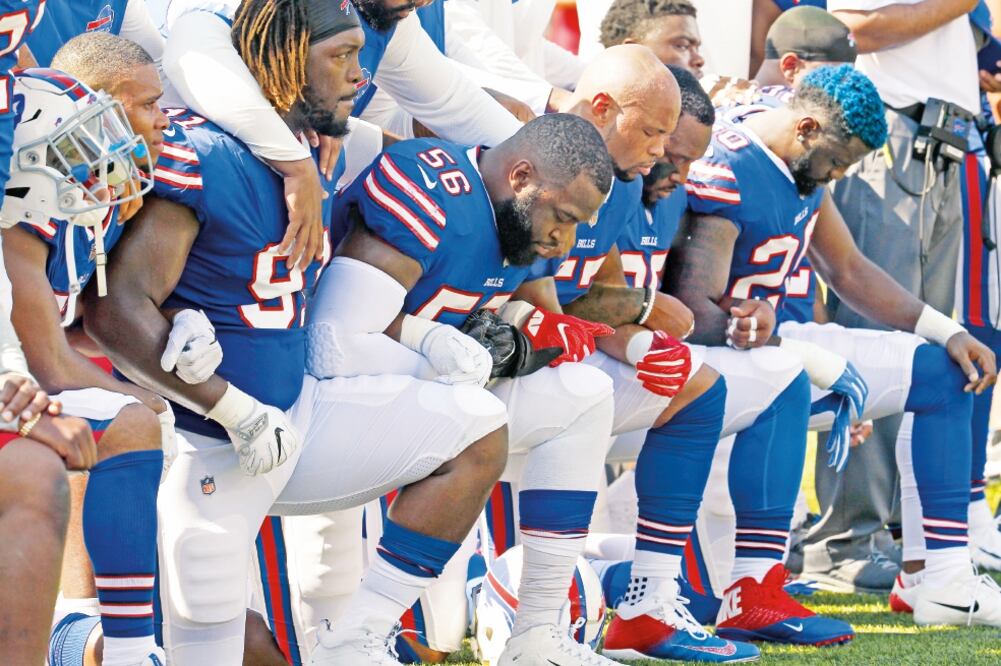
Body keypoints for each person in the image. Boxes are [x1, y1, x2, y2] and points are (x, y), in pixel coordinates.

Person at [85, 4, 509, 664]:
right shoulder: (205, 154)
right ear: (282, 63)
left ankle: (357, 639)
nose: (359, 71)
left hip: (297, 418)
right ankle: (74, 639)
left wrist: (422, 336)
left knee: (477, 423)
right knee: (212, 633)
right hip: (215, 442)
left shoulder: (324, 150)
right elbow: (114, 312)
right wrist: (232, 405)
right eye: (339, 56)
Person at [675, 63, 1001, 628]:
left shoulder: (797, 143)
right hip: (720, 361)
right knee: (705, 596)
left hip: (776, 344)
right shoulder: (730, 166)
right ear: (805, 129)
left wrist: (945, 329)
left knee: (944, 372)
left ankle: (937, 578)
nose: (841, 174)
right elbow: (696, 308)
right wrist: (780, 339)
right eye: (838, 159)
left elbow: (847, 268)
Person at [312, 106, 630, 666]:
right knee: (473, 414)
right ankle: (355, 640)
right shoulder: (433, 188)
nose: (565, 239)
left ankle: (536, 633)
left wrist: (521, 344)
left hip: (425, 399)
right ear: (520, 176)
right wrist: (437, 348)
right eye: (563, 216)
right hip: (327, 403)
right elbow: (333, 342)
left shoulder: (520, 222)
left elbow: (525, 335)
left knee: (584, 394)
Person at [553, 61, 852, 653]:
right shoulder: (569, 170)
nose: (677, 167)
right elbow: (553, 295)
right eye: (665, 147)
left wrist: (748, 315)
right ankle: (610, 581)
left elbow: (657, 300)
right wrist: (639, 323)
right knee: (468, 607)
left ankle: (742, 589)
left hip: (608, 362)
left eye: (685, 154)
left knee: (773, 380)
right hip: (525, 368)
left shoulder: (652, 182)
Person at [802, 0, 988, 593]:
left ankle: (904, 538)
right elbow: (859, 24)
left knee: (929, 349)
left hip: (944, 136)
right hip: (886, 131)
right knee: (877, 337)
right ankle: (843, 542)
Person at [0, 64, 170, 666]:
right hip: (14, 392)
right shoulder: (19, 230)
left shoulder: (65, 218)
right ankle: (122, 647)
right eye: (70, 144)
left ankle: (93, 635)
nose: (91, 159)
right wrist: (149, 400)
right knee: (129, 421)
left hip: (10, 392)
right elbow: (50, 363)